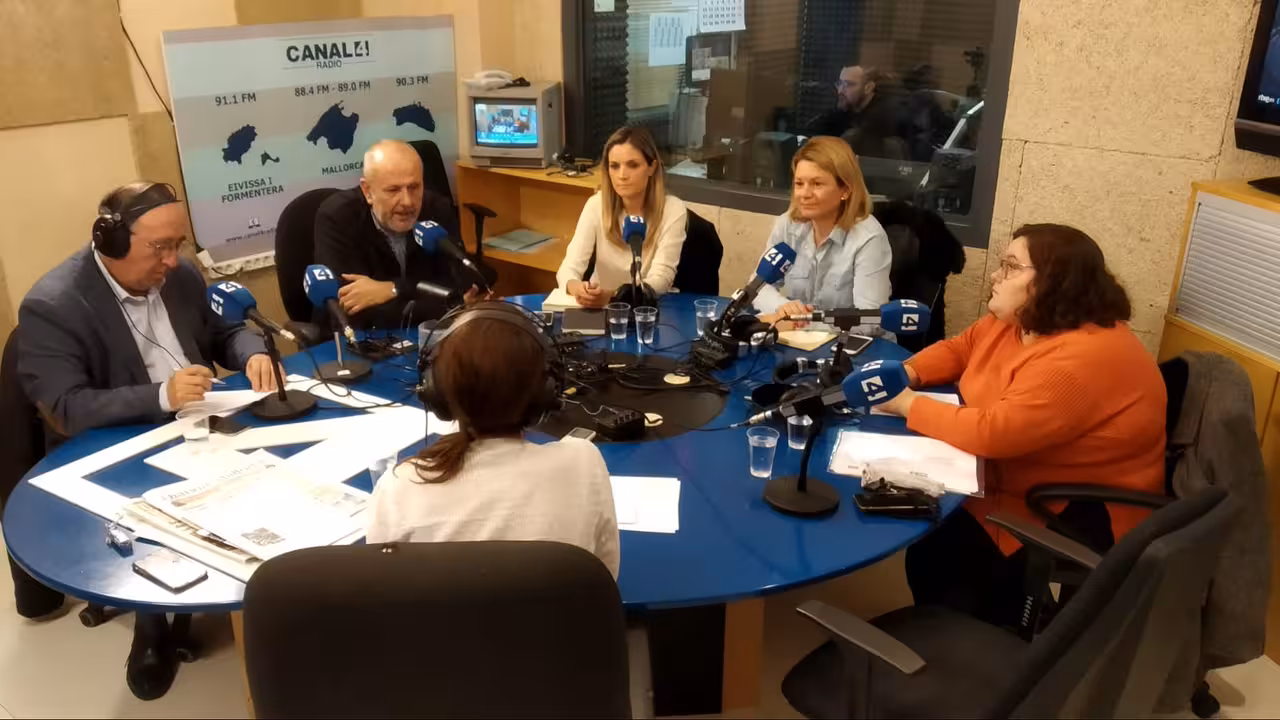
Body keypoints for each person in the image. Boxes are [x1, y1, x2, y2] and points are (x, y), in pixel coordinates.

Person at [16, 181, 277, 700]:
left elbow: (224, 330)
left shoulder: (181, 275)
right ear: (111, 242)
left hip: (200, 421)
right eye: (159, 247)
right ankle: (152, 626)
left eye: (177, 244)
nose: (172, 261)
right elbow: (67, 408)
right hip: (119, 443)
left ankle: (266, 589)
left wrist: (250, 351)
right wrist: (161, 395)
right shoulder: (53, 304)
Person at [876, 223, 1167, 628]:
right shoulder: (1018, 320)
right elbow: (961, 348)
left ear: (1055, 281)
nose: (996, 276)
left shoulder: (1085, 357)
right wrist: (908, 373)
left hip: (1065, 505)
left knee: (940, 554)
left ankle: (987, 642)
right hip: (1006, 472)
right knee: (926, 535)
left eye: (1011, 267)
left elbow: (993, 433)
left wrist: (907, 404)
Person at [366, 302, 620, 578]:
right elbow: (605, 577)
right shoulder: (583, 463)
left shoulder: (400, 487)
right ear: (546, 391)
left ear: (435, 390)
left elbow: (385, 588)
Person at [313, 139, 486, 330]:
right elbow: (355, 312)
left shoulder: (437, 209)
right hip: (359, 339)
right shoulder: (337, 217)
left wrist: (395, 289)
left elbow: (462, 285)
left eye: (414, 187)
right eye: (393, 190)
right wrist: (442, 303)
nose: (407, 202)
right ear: (368, 191)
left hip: (430, 332)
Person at [754, 136, 892, 332]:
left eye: (817, 184)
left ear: (845, 190)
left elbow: (869, 320)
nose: (804, 194)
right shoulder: (787, 225)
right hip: (799, 340)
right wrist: (782, 308)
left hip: (857, 346)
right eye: (799, 183)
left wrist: (799, 321)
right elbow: (757, 287)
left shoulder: (869, 238)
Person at [556, 126, 688, 308]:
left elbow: (661, 279)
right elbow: (568, 268)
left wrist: (615, 297)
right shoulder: (596, 204)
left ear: (652, 167)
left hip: (647, 309)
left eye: (633, 165)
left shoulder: (673, 209)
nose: (622, 175)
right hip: (599, 308)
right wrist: (576, 287)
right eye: (614, 166)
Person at [806, 65, 903, 159]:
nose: (840, 91)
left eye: (848, 84)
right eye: (839, 84)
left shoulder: (881, 119)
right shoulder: (841, 111)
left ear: (868, 88)